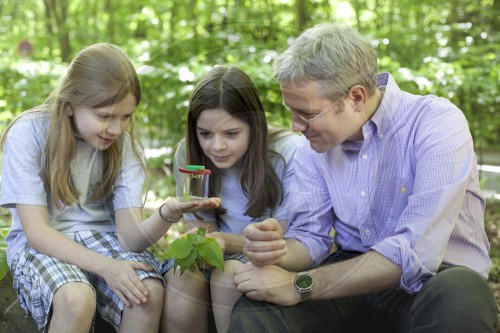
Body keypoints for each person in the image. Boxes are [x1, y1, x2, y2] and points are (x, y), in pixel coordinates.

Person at [229, 23, 498, 332]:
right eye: (291, 112)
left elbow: (413, 253)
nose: (295, 127)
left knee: (460, 295)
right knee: (258, 310)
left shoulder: (436, 124)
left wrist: (298, 284)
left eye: (305, 114)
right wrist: (276, 248)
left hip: (433, 285)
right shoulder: (313, 147)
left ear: (355, 97)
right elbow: (311, 237)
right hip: (349, 283)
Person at [0, 43, 220, 333]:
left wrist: (167, 213)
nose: (116, 129)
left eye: (126, 117)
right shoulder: (29, 133)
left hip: (104, 238)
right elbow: (37, 232)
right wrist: (106, 267)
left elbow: (129, 238)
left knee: (146, 293)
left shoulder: (124, 146)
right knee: (77, 297)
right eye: (104, 116)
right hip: (43, 244)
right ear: (70, 105)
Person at [160, 65, 300, 333]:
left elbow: (285, 231)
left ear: (254, 125)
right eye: (205, 134)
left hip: (270, 256)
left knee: (229, 276)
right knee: (181, 279)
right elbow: (201, 230)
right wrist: (211, 240)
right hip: (215, 253)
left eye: (231, 134)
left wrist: (226, 242)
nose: (217, 147)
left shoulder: (287, 150)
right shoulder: (188, 155)